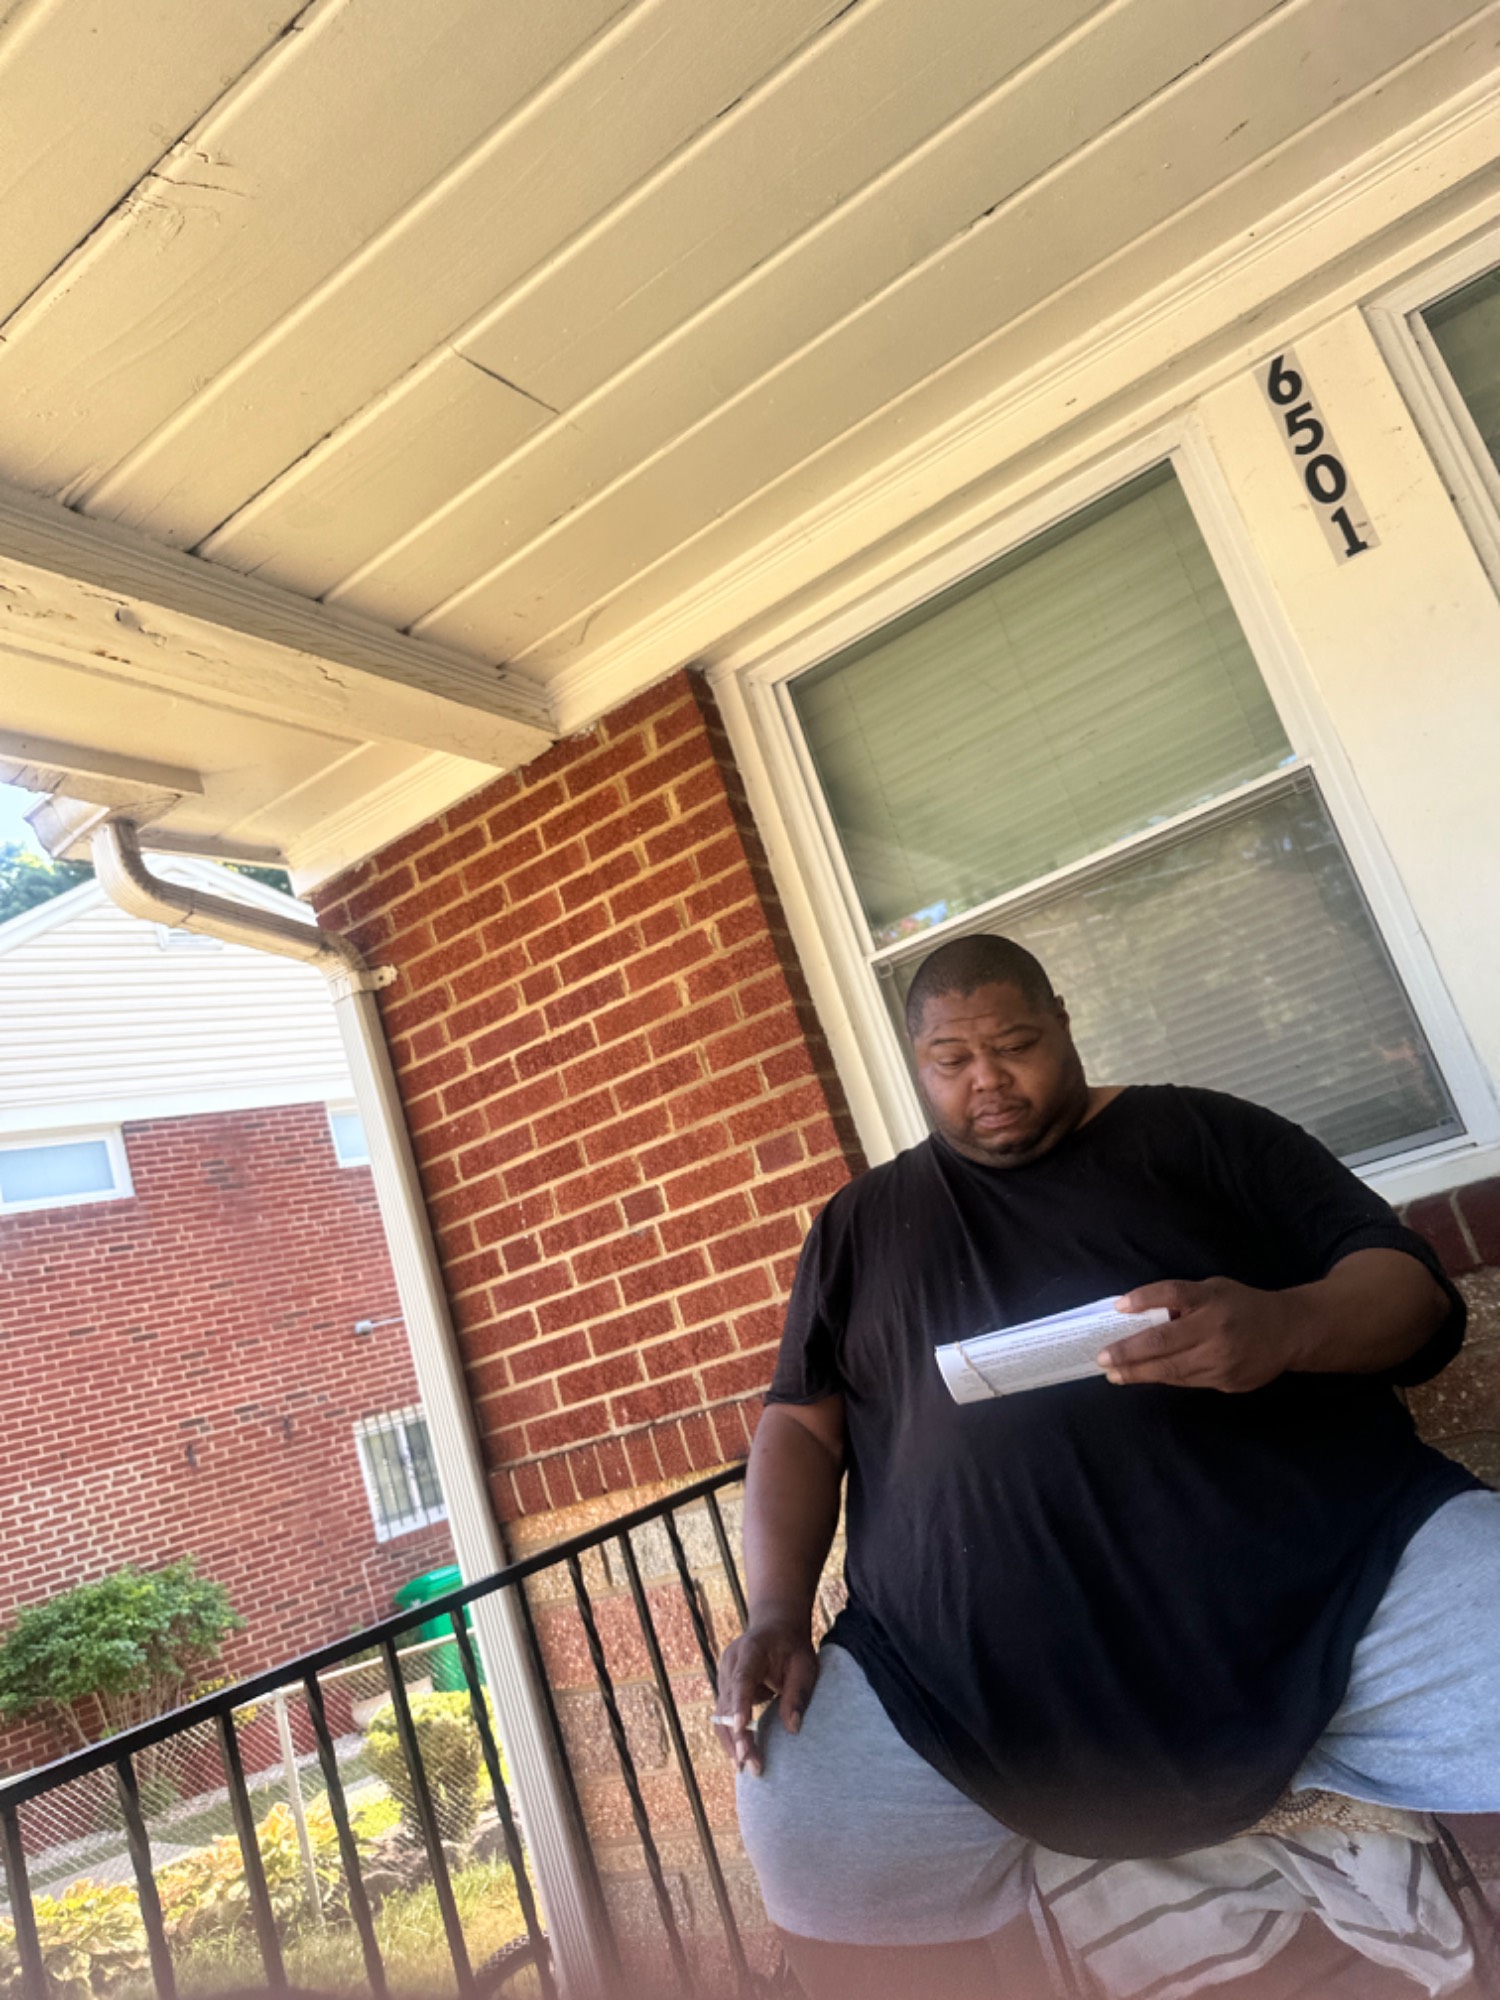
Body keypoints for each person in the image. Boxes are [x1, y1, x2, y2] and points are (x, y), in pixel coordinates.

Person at [716, 933, 1500, 2000]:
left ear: (1064, 1020)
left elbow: (1411, 1292)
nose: (988, 1080)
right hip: (963, 1684)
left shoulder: (1204, 1132)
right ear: (916, 1062)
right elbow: (801, 1429)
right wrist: (774, 1608)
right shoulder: (859, 1226)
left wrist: (1287, 1324)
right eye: (952, 1060)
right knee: (804, 1821)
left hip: (1332, 1591)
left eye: (1015, 1044)